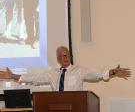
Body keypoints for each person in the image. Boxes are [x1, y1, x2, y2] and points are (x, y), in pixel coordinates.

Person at [0, 46, 131, 91]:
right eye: (63, 56)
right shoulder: (52, 73)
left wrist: (113, 71)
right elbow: (33, 78)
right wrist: (13, 76)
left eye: (67, 54)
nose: (66, 57)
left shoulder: (79, 70)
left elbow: (96, 74)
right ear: (58, 59)